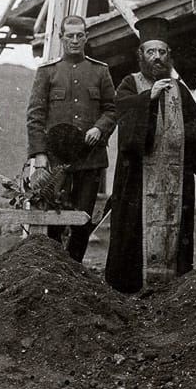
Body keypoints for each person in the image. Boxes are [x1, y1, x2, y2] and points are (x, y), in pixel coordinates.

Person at [105, 17, 196, 292]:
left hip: (174, 176)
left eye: (162, 52)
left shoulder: (178, 89)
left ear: (168, 56)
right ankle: (129, 286)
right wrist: (148, 100)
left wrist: (186, 140)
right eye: (151, 52)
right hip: (137, 177)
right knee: (132, 234)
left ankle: (172, 286)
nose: (157, 58)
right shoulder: (130, 83)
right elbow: (123, 114)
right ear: (141, 55)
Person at [26, 15, 117, 261]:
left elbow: (112, 108)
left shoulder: (100, 71)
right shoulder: (48, 73)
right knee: (53, 215)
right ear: (61, 38)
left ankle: (74, 266)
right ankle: (56, 266)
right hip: (56, 161)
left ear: (86, 37)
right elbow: (35, 116)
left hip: (90, 159)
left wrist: (100, 128)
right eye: (70, 36)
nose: (75, 40)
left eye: (80, 35)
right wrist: (40, 155)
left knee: (83, 218)